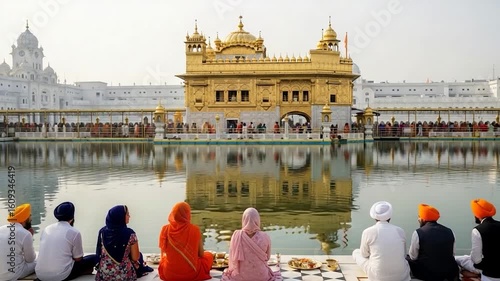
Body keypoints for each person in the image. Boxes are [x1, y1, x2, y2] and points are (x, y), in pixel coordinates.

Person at [35, 202, 96, 281]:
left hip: (40, 275)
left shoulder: (47, 229)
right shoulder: (74, 232)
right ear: (72, 216)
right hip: (61, 276)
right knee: (94, 258)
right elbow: (78, 259)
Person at [352, 201, 410, 281]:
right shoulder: (400, 231)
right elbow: (404, 255)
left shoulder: (368, 231)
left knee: (356, 252)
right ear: (390, 217)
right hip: (401, 276)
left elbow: (364, 254)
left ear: (374, 217)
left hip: (377, 276)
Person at [95, 205, 153, 281]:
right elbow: (135, 257)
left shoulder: (102, 232)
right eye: (127, 214)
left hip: (104, 276)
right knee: (139, 256)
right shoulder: (130, 233)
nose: (129, 216)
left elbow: (99, 253)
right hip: (125, 275)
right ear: (121, 217)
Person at [158, 202, 213, 281]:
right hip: (192, 274)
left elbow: (163, 253)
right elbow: (201, 254)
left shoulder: (165, 229)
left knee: (164, 261)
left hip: (169, 274)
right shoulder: (194, 230)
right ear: (187, 214)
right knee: (209, 256)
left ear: (173, 213)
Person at [222, 207, 281, 281]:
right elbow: (267, 257)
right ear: (257, 220)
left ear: (244, 219)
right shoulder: (265, 236)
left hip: (239, 277)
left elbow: (233, 258)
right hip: (262, 277)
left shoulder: (236, 235)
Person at [406, 204, 459, 281]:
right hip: (448, 273)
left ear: (423, 219)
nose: (418, 219)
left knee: (407, 258)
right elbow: (452, 254)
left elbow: (413, 256)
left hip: (427, 274)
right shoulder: (450, 231)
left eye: (419, 216)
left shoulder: (418, 232)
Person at [456, 199, 500, 281]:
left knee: (456, 259)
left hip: (489, 274)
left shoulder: (478, 230)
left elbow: (476, 260)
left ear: (477, 214)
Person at [0, 203, 37, 280]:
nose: (31, 220)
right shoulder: (25, 233)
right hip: (14, 274)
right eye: (29, 217)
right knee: (38, 259)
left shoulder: (1, 229)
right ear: (24, 220)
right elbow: (30, 259)